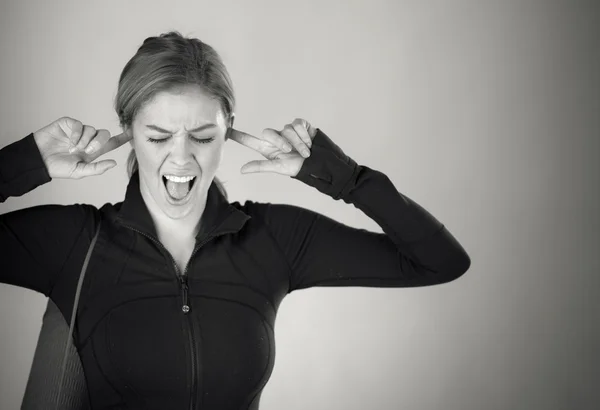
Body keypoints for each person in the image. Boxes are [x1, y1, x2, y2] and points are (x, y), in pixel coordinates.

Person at [1, 31, 471, 410]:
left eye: (203, 137)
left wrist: (343, 177)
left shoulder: (274, 239)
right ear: (127, 132)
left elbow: (440, 262)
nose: (180, 156)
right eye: (159, 136)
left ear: (229, 128)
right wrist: (26, 163)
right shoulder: (73, 242)